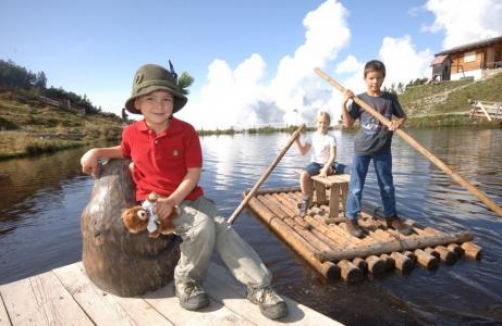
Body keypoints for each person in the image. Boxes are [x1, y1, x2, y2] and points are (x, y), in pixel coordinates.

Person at [80, 62, 288, 320]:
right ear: (138, 105)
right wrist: (97, 151)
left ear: (173, 103)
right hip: (154, 205)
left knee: (222, 228)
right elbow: (124, 151)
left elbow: (193, 173)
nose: (159, 105)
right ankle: (187, 282)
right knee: (201, 227)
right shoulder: (131, 133)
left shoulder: (186, 132)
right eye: (151, 98)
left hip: (189, 197)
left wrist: (174, 199)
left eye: (166, 99)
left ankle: (260, 287)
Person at [341, 60, 413, 238]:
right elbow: (348, 124)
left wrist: (397, 123)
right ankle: (351, 219)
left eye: (378, 78)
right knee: (356, 187)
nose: (375, 82)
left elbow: (402, 117)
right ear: (365, 78)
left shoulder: (389, 99)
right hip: (362, 149)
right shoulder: (359, 100)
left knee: (387, 186)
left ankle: (391, 217)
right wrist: (344, 103)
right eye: (371, 78)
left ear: (383, 78)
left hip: (383, 149)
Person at [294, 111, 350, 217]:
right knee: (303, 175)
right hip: (315, 164)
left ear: (328, 124)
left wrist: (325, 169)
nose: (322, 125)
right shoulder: (311, 137)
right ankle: (306, 200)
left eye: (325, 122)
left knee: (350, 170)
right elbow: (303, 152)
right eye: (320, 122)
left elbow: (333, 156)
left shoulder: (331, 138)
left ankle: (351, 204)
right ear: (316, 123)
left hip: (329, 164)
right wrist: (297, 141)